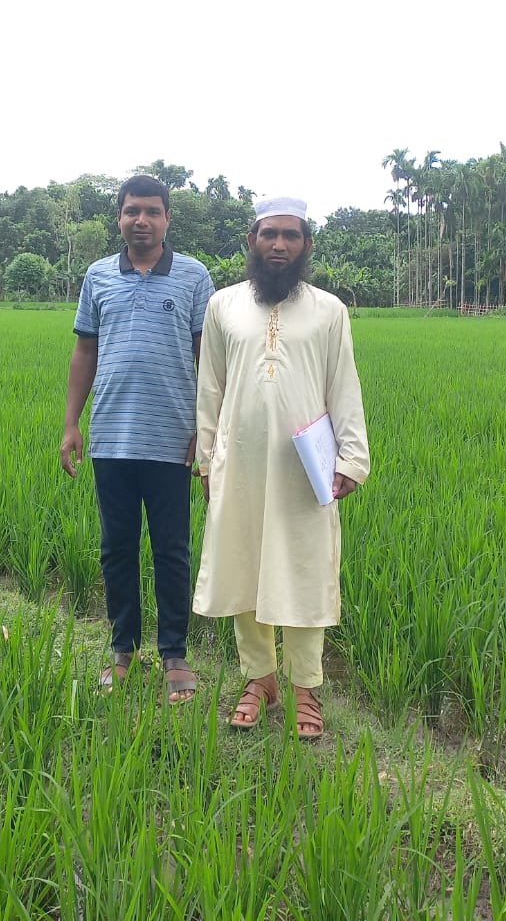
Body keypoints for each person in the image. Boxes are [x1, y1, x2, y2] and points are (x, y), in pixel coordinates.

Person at [192, 195, 370, 739]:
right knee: (243, 565)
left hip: (305, 468)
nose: (279, 244)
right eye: (269, 234)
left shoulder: (329, 310)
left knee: (305, 569)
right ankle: (259, 679)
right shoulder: (222, 305)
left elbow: (344, 385)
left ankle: (305, 688)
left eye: (291, 235)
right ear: (252, 240)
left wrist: (352, 459)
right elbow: (210, 386)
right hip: (239, 462)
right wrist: (206, 459)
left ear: (306, 245)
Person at [61, 173, 215, 703]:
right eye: (132, 211)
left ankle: (175, 653)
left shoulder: (194, 277)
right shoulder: (98, 276)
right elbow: (85, 352)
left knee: (172, 551)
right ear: (120, 217)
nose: (141, 220)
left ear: (168, 218)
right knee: (117, 549)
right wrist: (71, 424)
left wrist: (206, 431)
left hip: (172, 440)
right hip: (111, 439)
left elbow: (208, 360)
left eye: (152, 211)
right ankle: (122, 649)